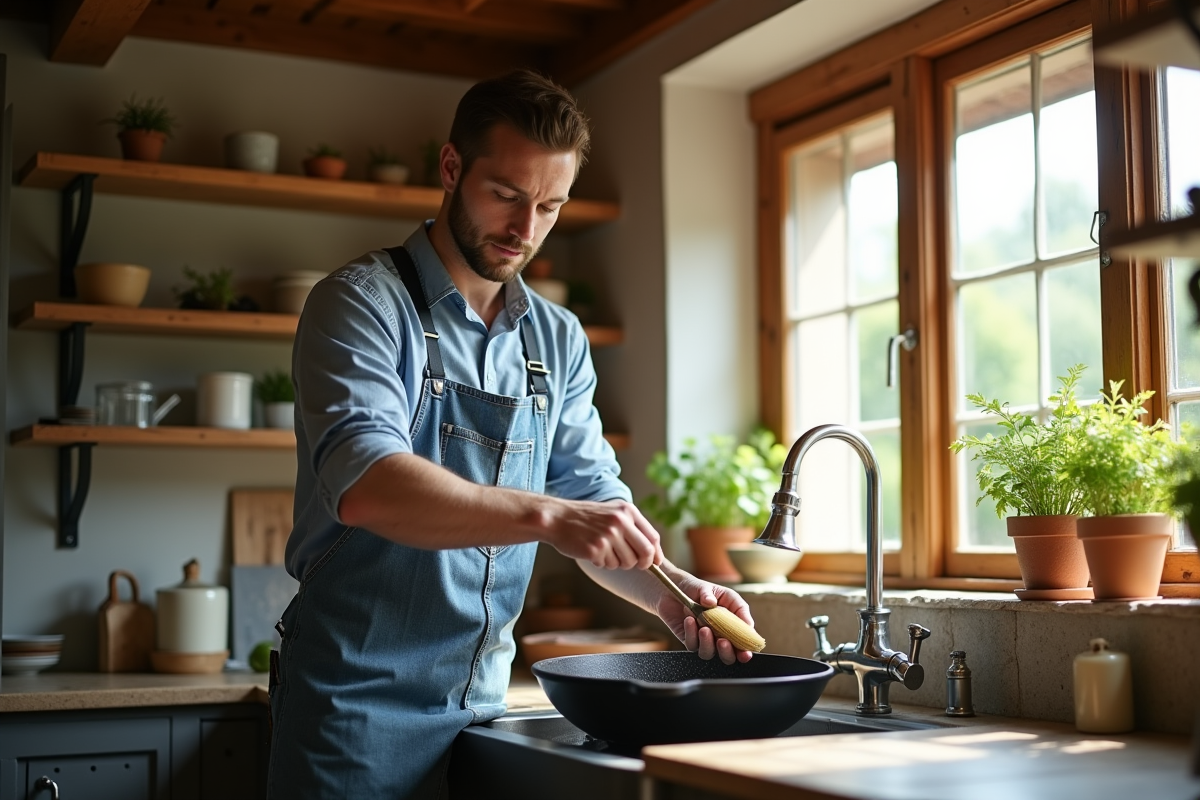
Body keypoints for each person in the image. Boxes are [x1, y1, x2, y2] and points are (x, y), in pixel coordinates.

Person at [266, 69, 759, 799]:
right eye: (506, 196)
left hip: (485, 713)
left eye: (550, 206)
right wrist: (554, 517)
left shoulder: (555, 339)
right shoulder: (361, 306)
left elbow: (591, 498)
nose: (525, 229)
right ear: (451, 168)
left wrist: (668, 591)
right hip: (350, 714)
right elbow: (370, 483)